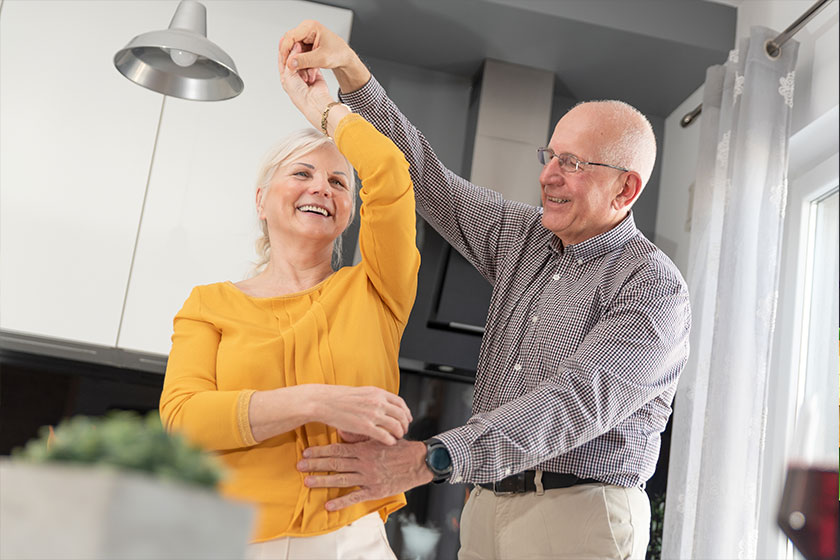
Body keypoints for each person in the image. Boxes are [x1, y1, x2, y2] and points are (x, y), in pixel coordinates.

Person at [280, 21, 692, 560]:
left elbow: (576, 402)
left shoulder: (653, 285)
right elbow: (425, 177)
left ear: (625, 188)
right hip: (486, 503)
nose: (549, 175)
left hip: (578, 513)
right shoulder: (524, 236)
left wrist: (432, 457)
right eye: (550, 156)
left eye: (572, 163)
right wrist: (350, 73)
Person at [159, 42, 421, 559]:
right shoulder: (209, 305)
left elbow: (391, 174)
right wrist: (318, 401)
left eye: (338, 182)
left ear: (349, 212)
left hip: (351, 541)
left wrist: (323, 109)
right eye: (302, 173)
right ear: (262, 200)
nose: (321, 188)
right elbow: (183, 420)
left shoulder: (376, 290)